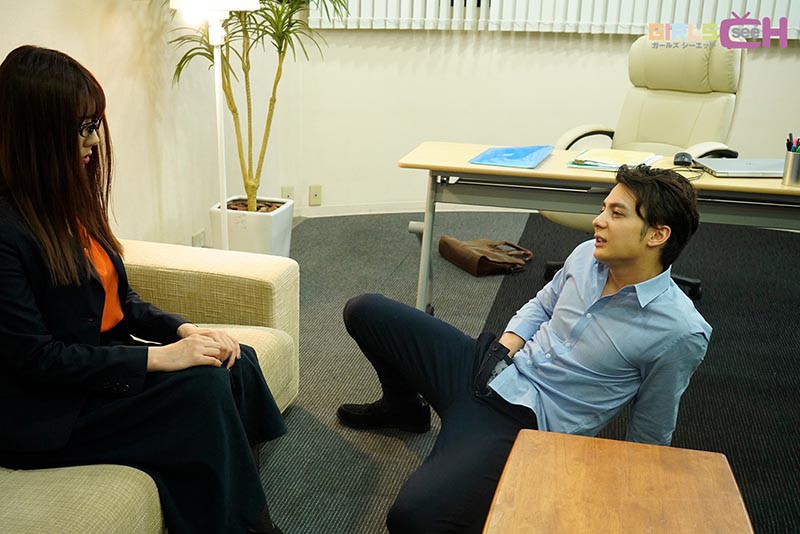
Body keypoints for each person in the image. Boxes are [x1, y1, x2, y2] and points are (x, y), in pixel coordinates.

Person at [0, 45, 286, 534]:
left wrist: (185, 329)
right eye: (81, 128)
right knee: (203, 389)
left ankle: (240, 508)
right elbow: (37, 359)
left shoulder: (65, 202)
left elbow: (120, 301)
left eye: (94, 124)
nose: (94, 140)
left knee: (235, 359)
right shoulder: (8, 230)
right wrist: (158, 357)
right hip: (49, 409)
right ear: (38, 132)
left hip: (98, 374)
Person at [337, 164, 712, 533]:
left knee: (412, 518)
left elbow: (650, 432)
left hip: (524, 424)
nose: (598, 221)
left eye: (616, 213)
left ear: (657, 235)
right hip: (491, 367)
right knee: (365, 311)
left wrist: (625, 508)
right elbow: (543, 304)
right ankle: (404, 408)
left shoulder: (679, 331)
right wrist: (506, 345)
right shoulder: (587, 255)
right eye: (603, 209)